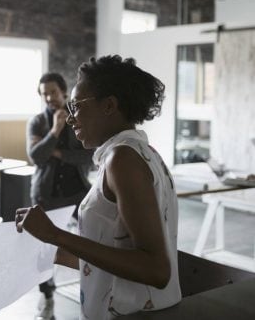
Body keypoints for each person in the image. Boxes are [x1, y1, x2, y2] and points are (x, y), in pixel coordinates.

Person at [16, 55, 181, 319]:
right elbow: (118, 256)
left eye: (76, 107)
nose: (70, 119)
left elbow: (155, 270)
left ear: (109, 105)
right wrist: (55, 251)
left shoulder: (122, 159)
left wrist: (57, 235)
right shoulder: (137, 152)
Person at [27, 72, 94, 320]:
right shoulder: (36, 122)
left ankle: (96, 290)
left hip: (78, 192)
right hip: (47, 194)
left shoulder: (79, 118)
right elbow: (35, 156)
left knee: (93, 242)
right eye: (44, 93)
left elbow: (89, 155)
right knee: (44, 250)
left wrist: (58, 154)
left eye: (53, 92)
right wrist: (54, 131)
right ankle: (47, 299)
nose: (49, 98)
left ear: (63, 92)